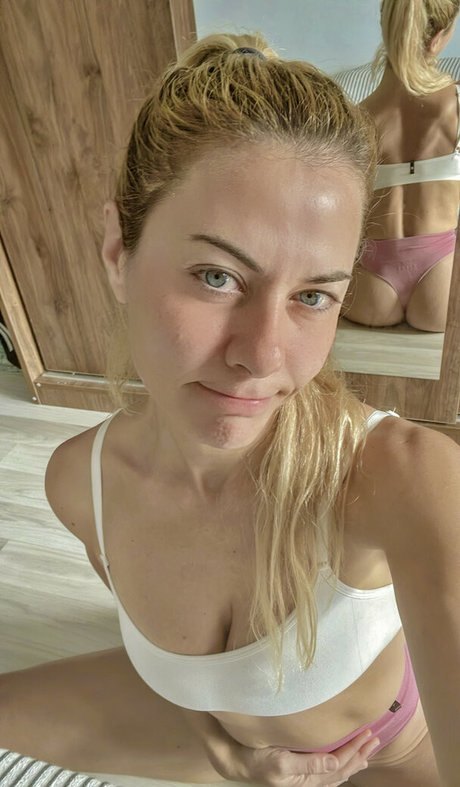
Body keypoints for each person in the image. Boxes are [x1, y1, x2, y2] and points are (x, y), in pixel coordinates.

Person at [1, 31, 459, 787]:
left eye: (313, 296)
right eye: (217, 276)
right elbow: (194, 688)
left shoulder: (408, 480)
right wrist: (233, 757)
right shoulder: (78, 485)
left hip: (397, 756)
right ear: (118, 251)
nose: (264, 356)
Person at [344, 0, 460, 332]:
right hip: (441, 280)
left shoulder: (353, 118)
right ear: (438, 36)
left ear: (386, 24)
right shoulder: (456, 104)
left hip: (370, 286)